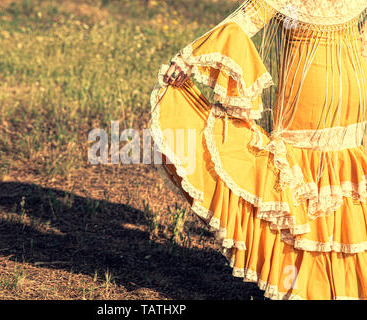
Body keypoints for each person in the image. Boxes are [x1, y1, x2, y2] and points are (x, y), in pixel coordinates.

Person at [150, 0, 367, 300]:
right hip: (353, 90)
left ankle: (303, 285)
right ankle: (344, 287)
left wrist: (190, 58)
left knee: (296, 184)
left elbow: (241, 23)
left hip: (309, 92)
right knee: (339, 186)